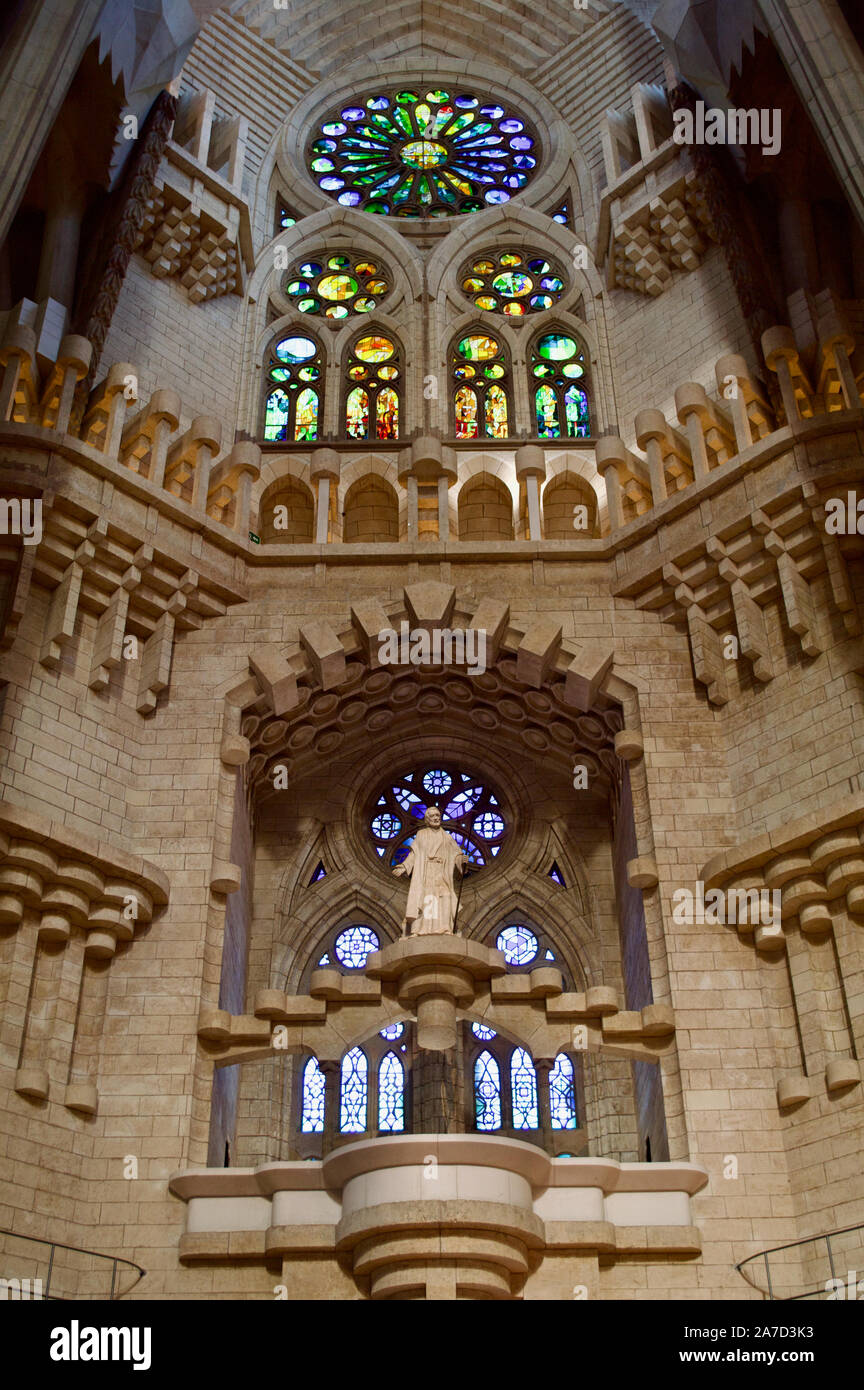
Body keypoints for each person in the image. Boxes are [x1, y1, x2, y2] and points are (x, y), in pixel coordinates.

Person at [392, 805, 468, 935]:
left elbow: (456, 854)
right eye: (432, 816)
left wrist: (461, 860)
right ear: (427, 819)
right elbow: (415, 853)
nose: (435, 818)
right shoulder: (422, 834)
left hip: (442, 871)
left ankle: (445, 928)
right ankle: (425, 929)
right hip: (427, 871)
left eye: (437, 816)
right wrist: (404, 867)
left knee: (445, 896)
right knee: (428, 898)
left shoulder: (447, 837)